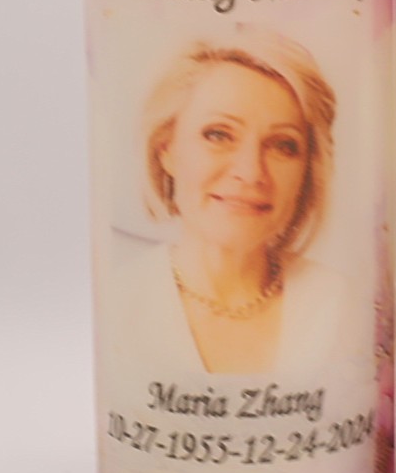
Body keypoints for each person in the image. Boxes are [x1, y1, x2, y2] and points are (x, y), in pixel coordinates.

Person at [132, 26, 344, 375]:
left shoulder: (343, 309)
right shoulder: (121, 305)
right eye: (219, 135)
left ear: (307, 170)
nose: (251, 172)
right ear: (166, 150)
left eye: (283, 145)